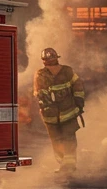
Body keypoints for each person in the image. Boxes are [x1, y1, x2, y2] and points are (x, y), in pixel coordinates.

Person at [33, 47, 85, 181]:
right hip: (59, 113)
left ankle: (67, 166)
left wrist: (79, 103)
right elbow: (78, 87)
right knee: (65, 139)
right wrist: (79, 104)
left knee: (60, 140)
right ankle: (66, 166)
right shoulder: (63, 71)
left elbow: (38, 94)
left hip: (59, 113)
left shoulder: (46, 73)